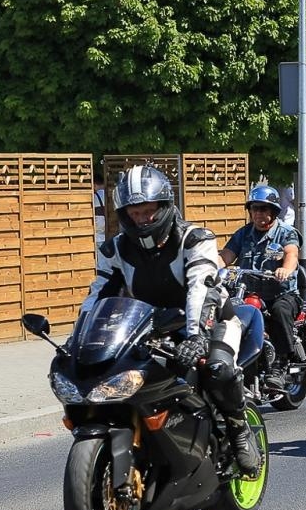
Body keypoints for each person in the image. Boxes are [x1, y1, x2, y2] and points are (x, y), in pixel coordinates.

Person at [81, 165, 261, 475]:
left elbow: (200, 290)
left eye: (148, 210)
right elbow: (99, 294)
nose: (142, 219)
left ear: (165, 206)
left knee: (216, 369)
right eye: (134, 213)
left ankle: (238, 429)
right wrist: (81, 339)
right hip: (150, 328)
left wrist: (196, 336)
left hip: (212, 321)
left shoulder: (194, 239)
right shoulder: (115, 249)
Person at [221, 185, 302, 387]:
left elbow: (291, 254)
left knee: (279, 311)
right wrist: (207, 266)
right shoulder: (244, 233)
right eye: (255, 208)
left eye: (264, 209)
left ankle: (282, 362)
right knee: (224, 312)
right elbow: (226, 256)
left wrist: (285, 269)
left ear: (274, 211)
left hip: (281, 293)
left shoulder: (285, 232)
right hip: (249, 293)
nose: (258, 213)